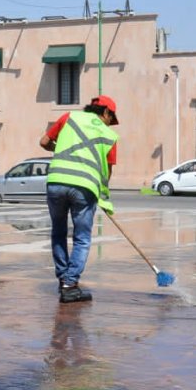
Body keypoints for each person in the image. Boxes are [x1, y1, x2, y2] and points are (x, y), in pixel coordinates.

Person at [39, 95, 119, 304]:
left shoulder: (69, 117)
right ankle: (70, 284)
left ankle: (63, 279)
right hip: (84, 188)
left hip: (56, 182)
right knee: (82, 238)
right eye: (111, 117)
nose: (111, 122)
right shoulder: (109, 135)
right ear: (106, 113)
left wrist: (64, 150)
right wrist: (102, 196)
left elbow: (44, 142)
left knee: (58, 232)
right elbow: (106, 172)